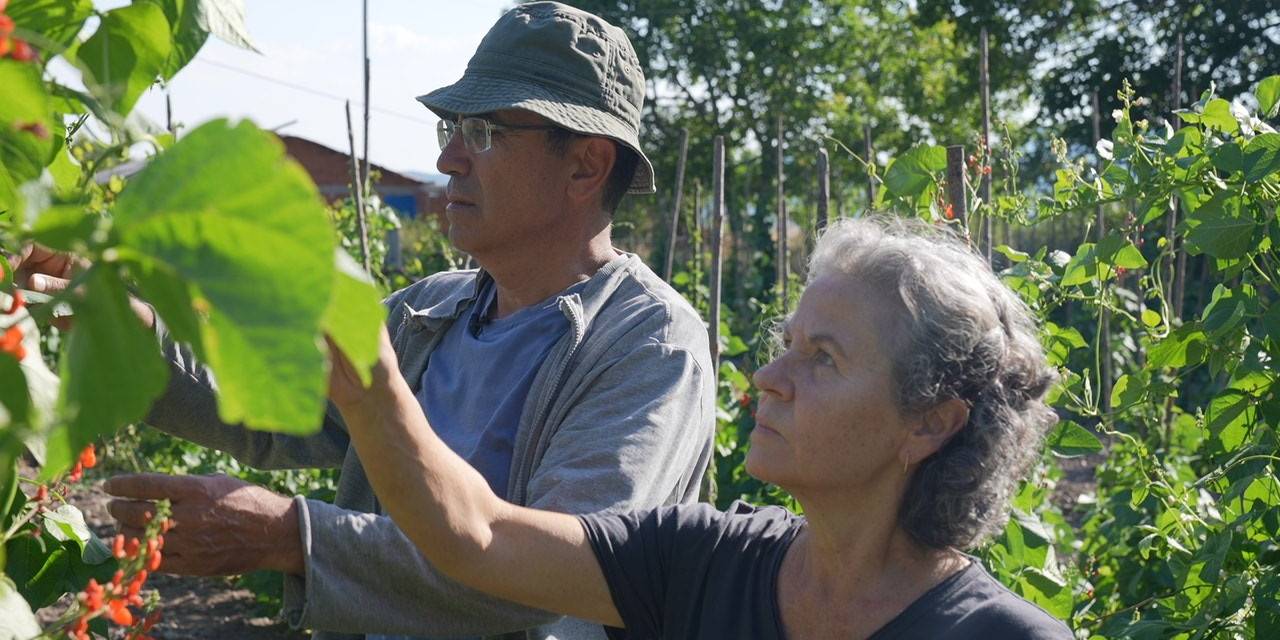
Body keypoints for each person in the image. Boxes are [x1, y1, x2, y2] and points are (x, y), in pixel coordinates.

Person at [13, 3, 714, 639]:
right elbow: (270, 405)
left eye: (484, 132)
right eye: (452, 128)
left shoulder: (648, 346)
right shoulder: (426, 313)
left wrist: (295, 538)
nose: (448, 159)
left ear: (587, 165)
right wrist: (117, 319)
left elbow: (562, 571)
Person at [327, 216, 1076, 639]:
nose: (769, 380)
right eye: (788, 345)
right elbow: (479, 538)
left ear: (930, 422)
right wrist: (373, 389)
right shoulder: (701, 562)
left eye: (823, 359)